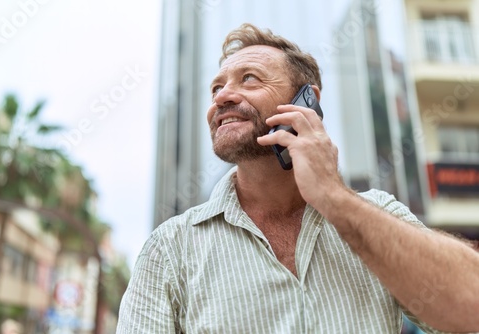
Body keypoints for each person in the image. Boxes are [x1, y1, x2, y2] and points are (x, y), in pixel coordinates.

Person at [117, 23, 479, 333]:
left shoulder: (378, 213)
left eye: (249, 79)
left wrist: (335, 198)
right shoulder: (170, 248)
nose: (223, 96)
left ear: (306, 102)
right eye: (216, 88)